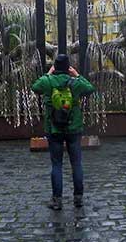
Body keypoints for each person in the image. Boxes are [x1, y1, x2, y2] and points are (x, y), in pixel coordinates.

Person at [31, 54, 95, 211]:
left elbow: (35, 87)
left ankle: (57, 200)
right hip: (74, 128)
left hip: (54, 129)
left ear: (55, 67)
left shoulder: (48, 81)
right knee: (76, 163)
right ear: (68, 68)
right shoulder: (75, 82)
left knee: (57, 164)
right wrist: (77, 74)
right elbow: (90, 89)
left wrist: (48, 73)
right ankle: (78, 198)